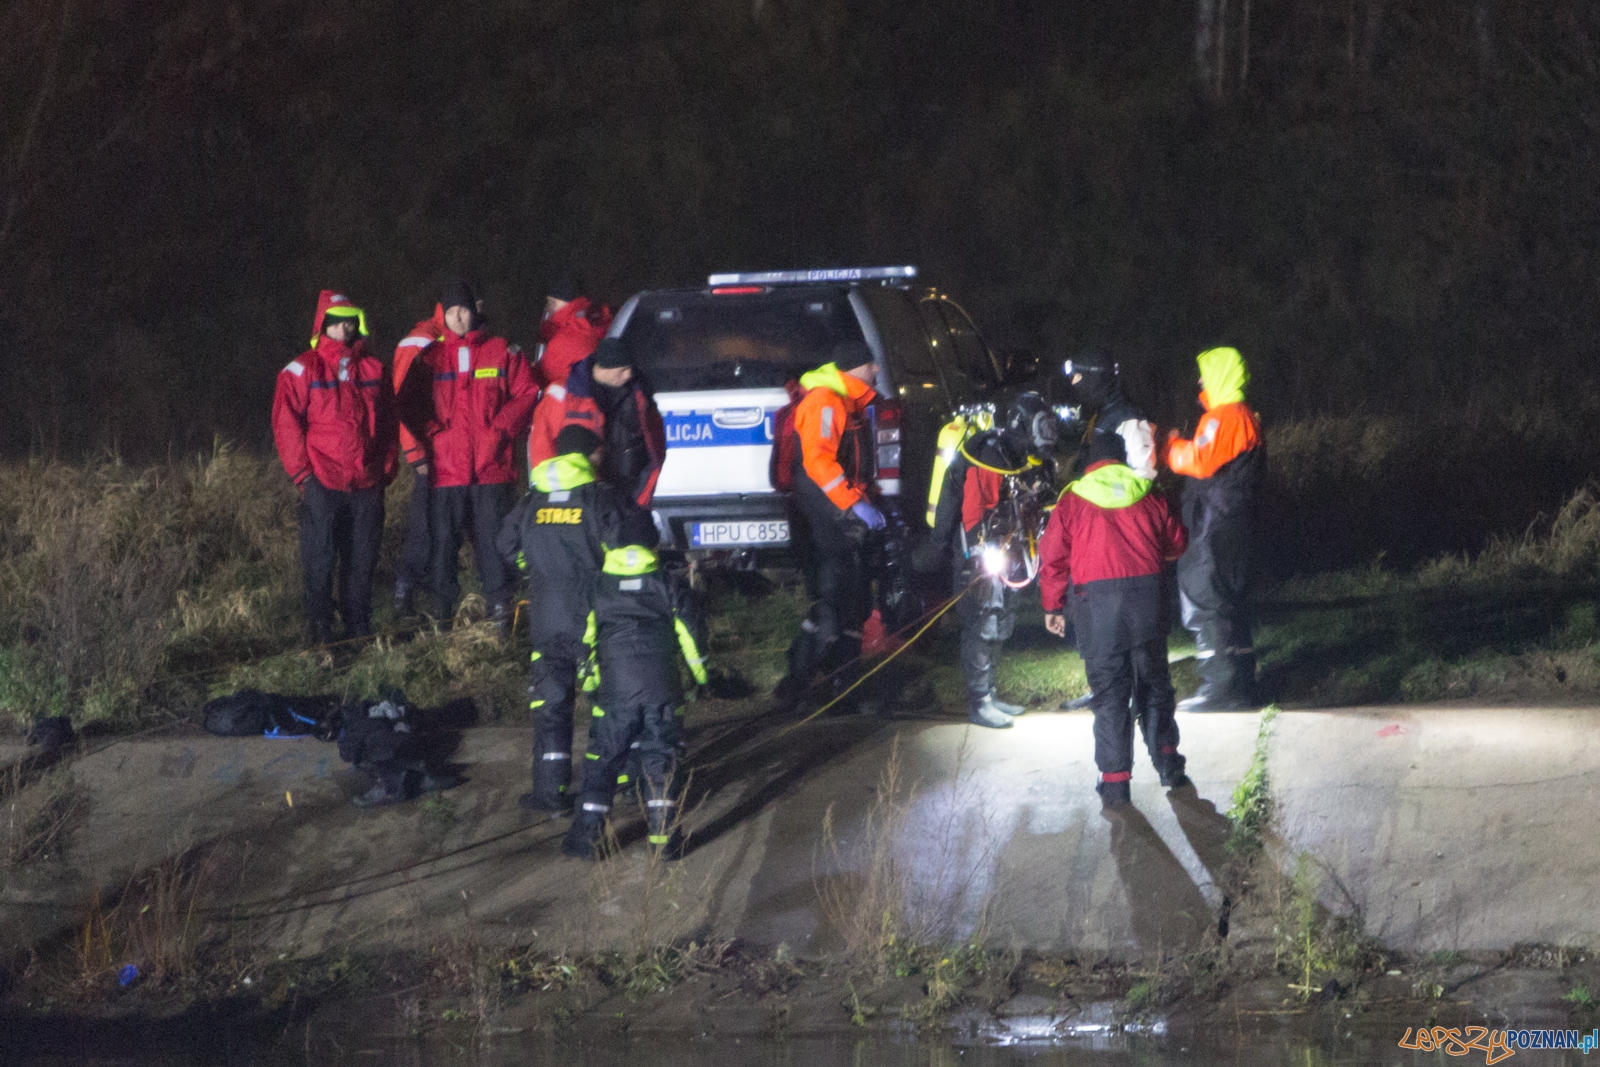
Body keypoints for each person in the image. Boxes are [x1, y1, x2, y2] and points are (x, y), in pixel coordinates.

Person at [1038, 430, 1189, 809]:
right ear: (1121, 459)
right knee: (1154, 688)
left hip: (1097, 610)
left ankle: (1116, 783)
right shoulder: (1147, 491)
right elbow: (1176, 543)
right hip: (1147, 604)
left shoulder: (1073, 499)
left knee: (1109, 695)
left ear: (1089, 463)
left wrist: (1053, 607)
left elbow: (1052, 557)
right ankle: (1169, 764)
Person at [496, 424, 635, 814]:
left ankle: (549, 795)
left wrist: (536, 567)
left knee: (551, 707)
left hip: (546, 619)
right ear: (589, 454)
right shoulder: (597, 498)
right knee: (608, 703)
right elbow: (623, 549)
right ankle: (621, 783)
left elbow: (505, 544)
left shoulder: (533, 497)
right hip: (593, 620)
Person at [398, 280, 540, 626]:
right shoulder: (429, 358)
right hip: (446, 471)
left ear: (475, 311)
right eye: (451, 311)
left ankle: (500, 614)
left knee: (493, 545)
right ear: (442, 315)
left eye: (464, 310)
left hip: (491, 469)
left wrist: (501, 429)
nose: (459, 317)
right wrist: (433, 433)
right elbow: (407, 403)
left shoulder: (503, 350)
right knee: (443, 544)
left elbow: (526, 392)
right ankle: (442, 614)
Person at [562, 532, 708, 861]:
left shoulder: (596, 587)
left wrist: (590, 684)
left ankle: (586, 838)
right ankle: (664, 841)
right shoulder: (668, 583)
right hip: (664, 691)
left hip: (615, 694)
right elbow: (690, 634)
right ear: (652, 545)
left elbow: (583, 643)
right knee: (661, 762)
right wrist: (701, 677)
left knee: (602, 763)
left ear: (609, 547)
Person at [924, 392, 1057, 728]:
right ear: (1022, 424)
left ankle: (991, 694)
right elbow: (971, 512)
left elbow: (1039, 502)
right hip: (980, 551)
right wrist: (976, 558)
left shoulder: (1027, 459)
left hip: (1009, 548)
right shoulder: (986, 455)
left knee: (1002, 621)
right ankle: (979, 701)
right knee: (983, 624)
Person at [272, 290, 397, 645]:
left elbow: (389, 421)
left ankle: (358, 630)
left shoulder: (374, 369)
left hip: (366, 482)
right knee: (320, 561)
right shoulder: (301, 369)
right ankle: (321, 635)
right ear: (324, 324)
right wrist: (303, 476)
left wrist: (386, 465)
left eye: (350, 319)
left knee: (361, 562)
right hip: (322, 482)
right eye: (338, 320)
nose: (346, 326)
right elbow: (285, 424)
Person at [776, 343, 885, 704]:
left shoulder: (844, 401)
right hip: (827, 521)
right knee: (832, 606)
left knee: (853, 604)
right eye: (873, 364)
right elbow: (819, 464)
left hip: (839, 518)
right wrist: (856, 505)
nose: (877, 371)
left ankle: (844, 684)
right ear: (857, 366)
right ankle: (799, 684)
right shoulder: (826, 401)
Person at [1164, 346, 1265, 712]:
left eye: (1205, 372)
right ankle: (1241, 682)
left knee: (1205, 598)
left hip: (1214, 524)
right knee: (1228, 601)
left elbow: (1201, 461)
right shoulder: (1241, 416)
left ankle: (1220, 687)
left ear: (1220, 374)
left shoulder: (1223, 418)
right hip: (1230, 521)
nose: (1200, 380)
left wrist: (1170, 448)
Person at [1057, 351, 1158, 710]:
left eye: (1079, 378)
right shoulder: (1101, 417)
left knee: (1125, 621)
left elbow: (1143, 477)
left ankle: (1129, 694)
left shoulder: (1129, 418)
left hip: (1121, 538)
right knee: (1096, 618)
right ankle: (1105, 688)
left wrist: (1108, 513)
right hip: (1096, 535)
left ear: (1097, 378)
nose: (1073, 386)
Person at [528, 336, 665, 508]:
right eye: (622, 370)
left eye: (630, 369)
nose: (628, 375)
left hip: (627, 502)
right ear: (604, 368)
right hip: (579, 507)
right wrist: (557, 504)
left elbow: (654, 451)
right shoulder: (562, 396)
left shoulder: (638, 395)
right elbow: (542, 453)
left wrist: (641, 502)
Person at [391, 305, 444, 615]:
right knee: (424, 524)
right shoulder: (419, 342)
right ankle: (405, 592)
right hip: (430, 452)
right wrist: (415, 453)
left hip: (452, 453)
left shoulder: (451, 338)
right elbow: (402, 400)